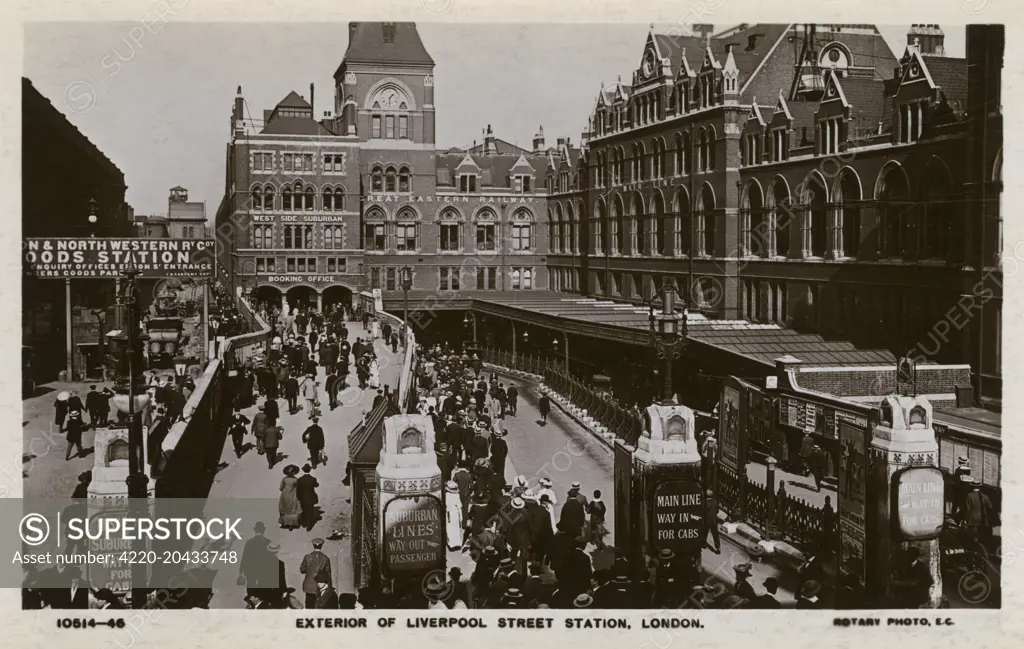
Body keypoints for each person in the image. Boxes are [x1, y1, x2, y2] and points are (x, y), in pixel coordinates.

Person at [299, 538, 333, 609]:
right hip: (320, 585)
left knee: (309, 604)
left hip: (308, 585)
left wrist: (310, 569)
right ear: (321, 546)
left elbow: (302, 570)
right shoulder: (325, 558)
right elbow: (328, 574)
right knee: (318, 605)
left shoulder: (307, 556)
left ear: (313, 545)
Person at [445, 481, 464, 551]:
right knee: (456, 529)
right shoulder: (457, 495)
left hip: (449, 513)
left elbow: (446, 506)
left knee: (450, 529)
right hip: (456, 513)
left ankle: (451, 544)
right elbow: (459, 506)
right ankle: (457, 543)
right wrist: (460, 516)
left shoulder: (446, 495)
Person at [704, 489, 721, 553]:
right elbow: (717, 511)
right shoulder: (715, 501)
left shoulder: (705, 502)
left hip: (707, 520)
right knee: (715, 534)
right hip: (714, 520)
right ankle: (718, 547)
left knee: (704, 532)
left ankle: (704, 543)